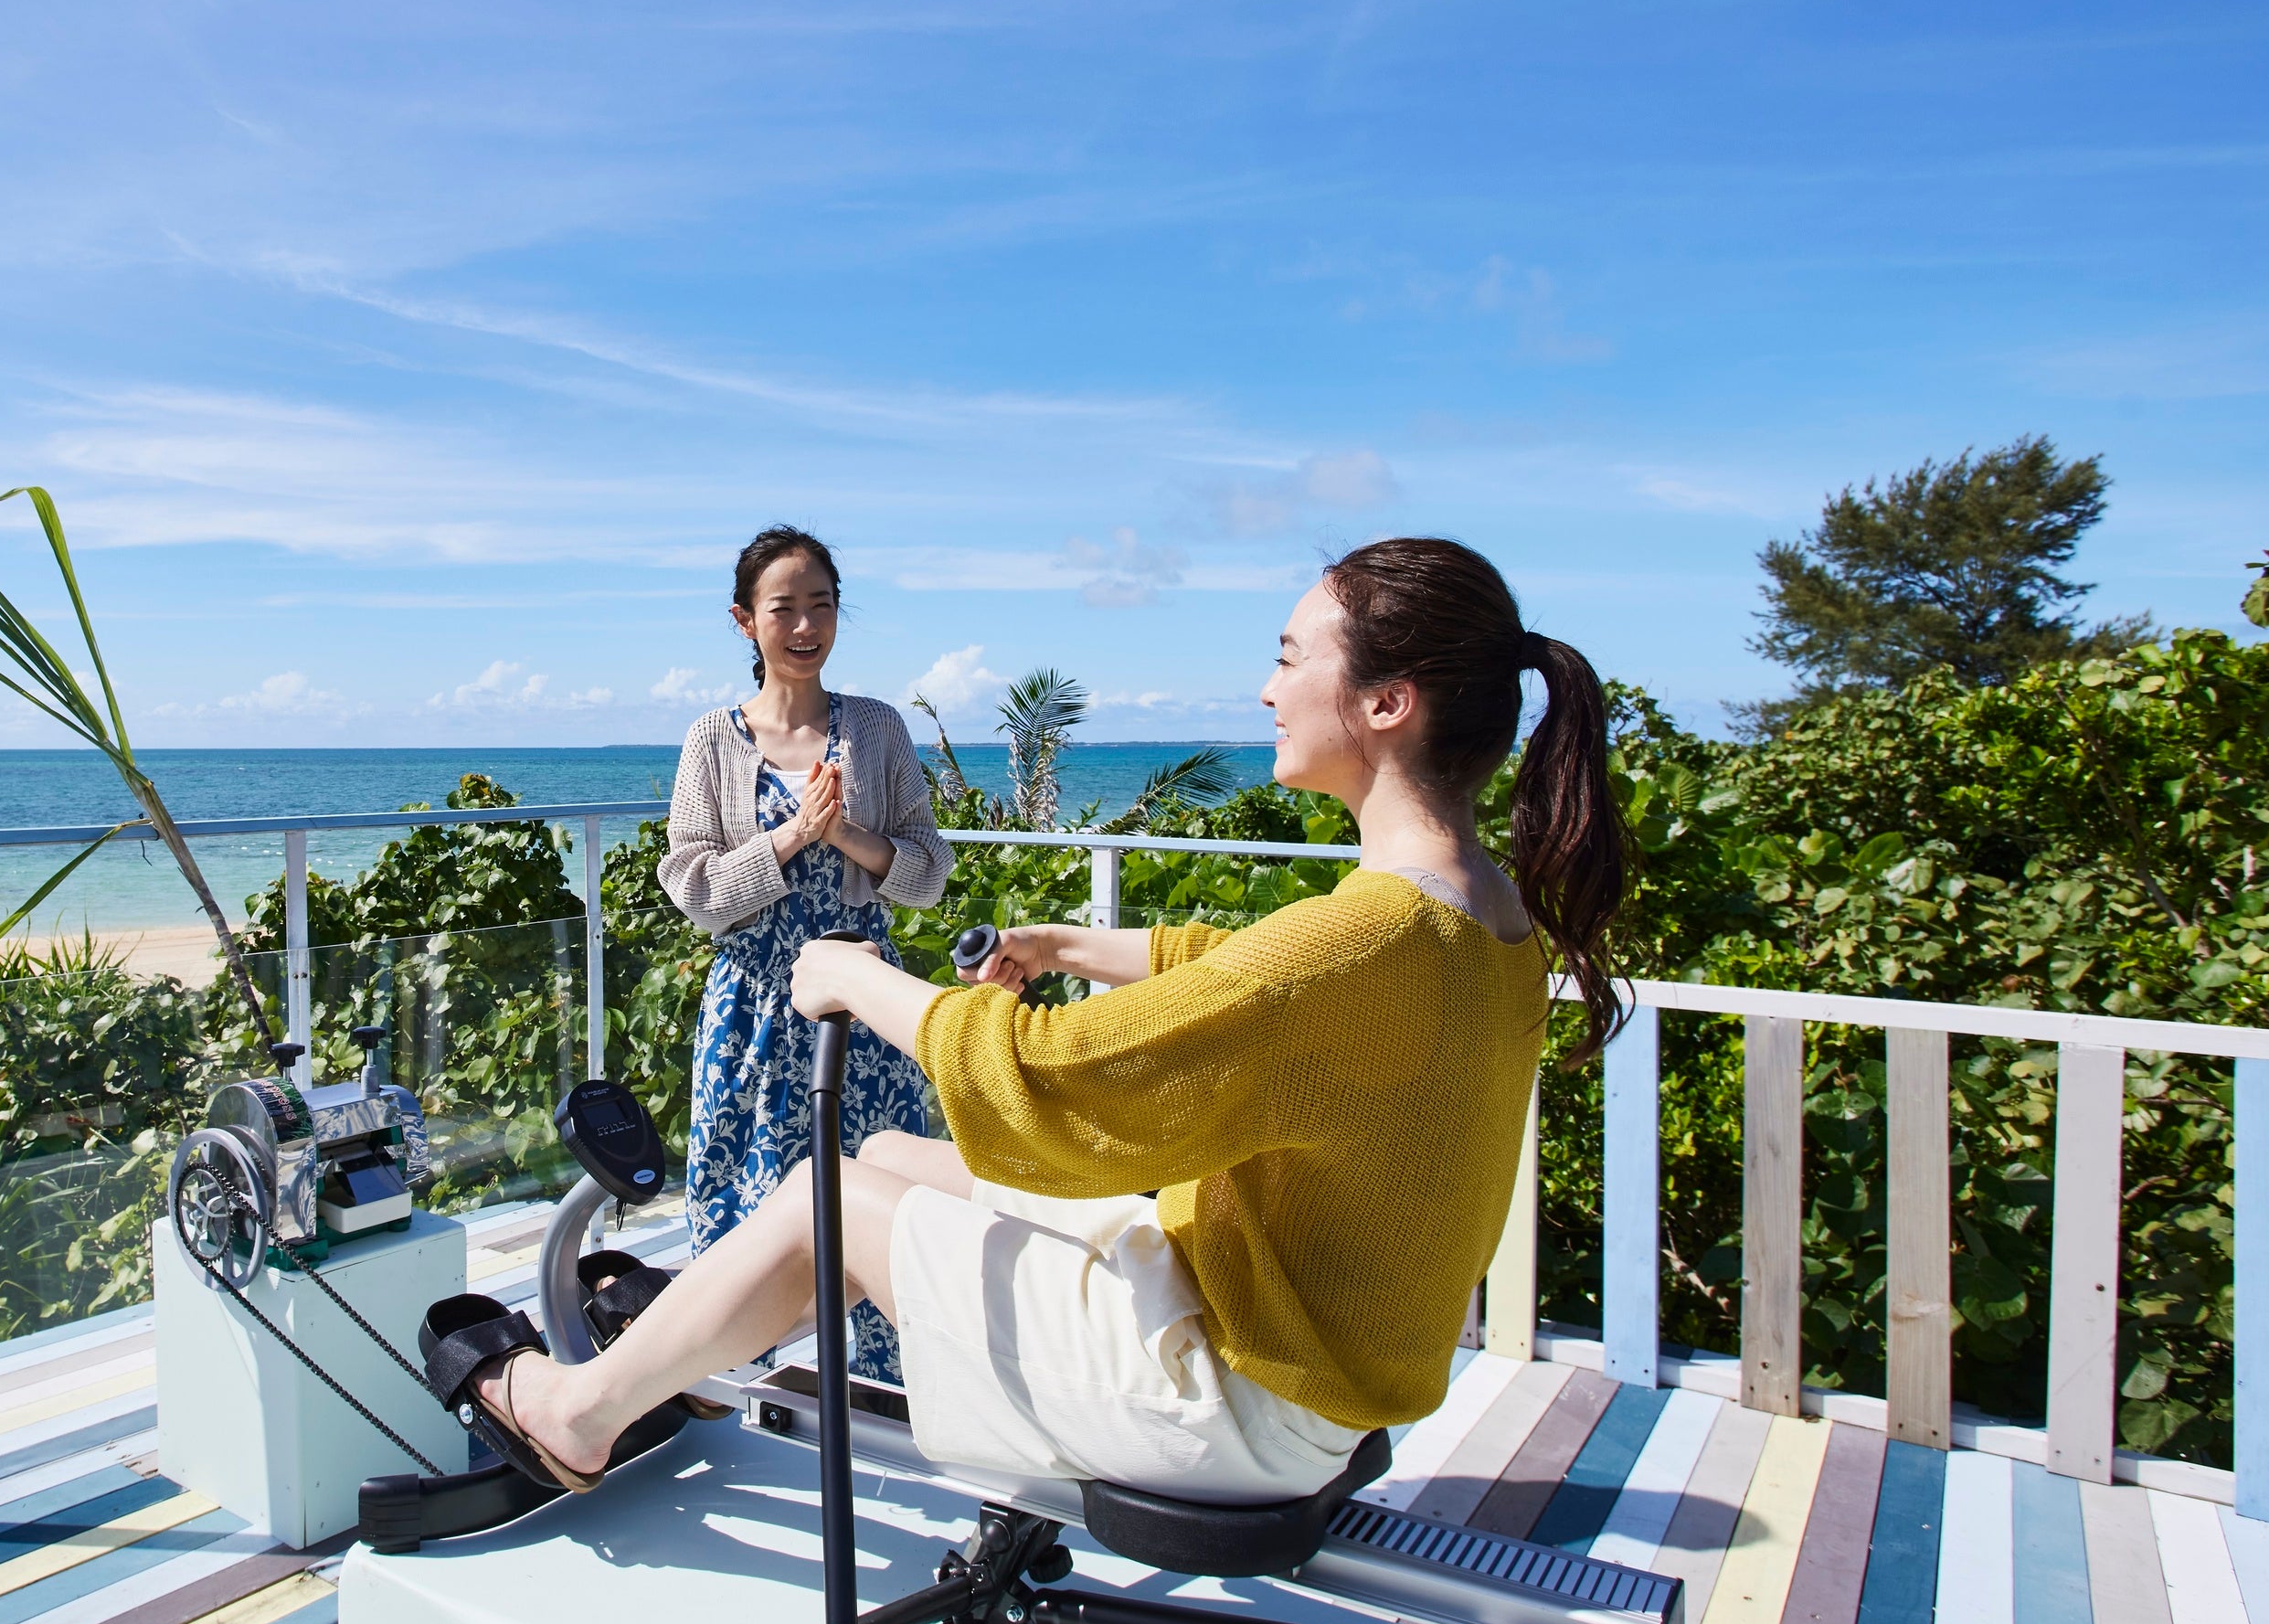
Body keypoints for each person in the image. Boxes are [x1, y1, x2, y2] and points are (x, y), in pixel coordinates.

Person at [463, 536, 1628, 1503]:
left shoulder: (1360, 941)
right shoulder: (1473, 915)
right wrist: (1068, 943)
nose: (1268, 691)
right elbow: (1243, 971)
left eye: (1287, 659)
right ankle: (709, 1356)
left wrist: (855, 978)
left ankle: (579, 1411)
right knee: (887, 1154)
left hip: (1246, 1398)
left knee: (835, 1194)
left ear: (1385, 702)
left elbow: (1051, 1073)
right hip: (1295, 1342)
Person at [658, 525, 951, 1385]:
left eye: (821, 605)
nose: (804, 625)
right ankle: (734, 1390)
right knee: (742, 1205)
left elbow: (928, 873)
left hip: (865, 1004)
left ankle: (893, 1400)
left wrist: (846, 833)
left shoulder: (878, 728)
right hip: (754, 1005)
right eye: (783, 607)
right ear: (744, 620)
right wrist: (790, 837)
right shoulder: (712, 739)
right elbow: (694, 888)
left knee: (885, 1206)